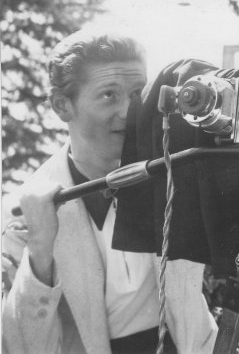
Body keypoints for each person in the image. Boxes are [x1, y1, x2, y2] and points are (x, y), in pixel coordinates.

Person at [2, 28, 217, 354]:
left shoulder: (173, 171)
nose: (129, 111)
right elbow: (19, 346)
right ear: (62, 106)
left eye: (136, 93)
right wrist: (39, 250)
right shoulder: (22, 212)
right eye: (108, 95)